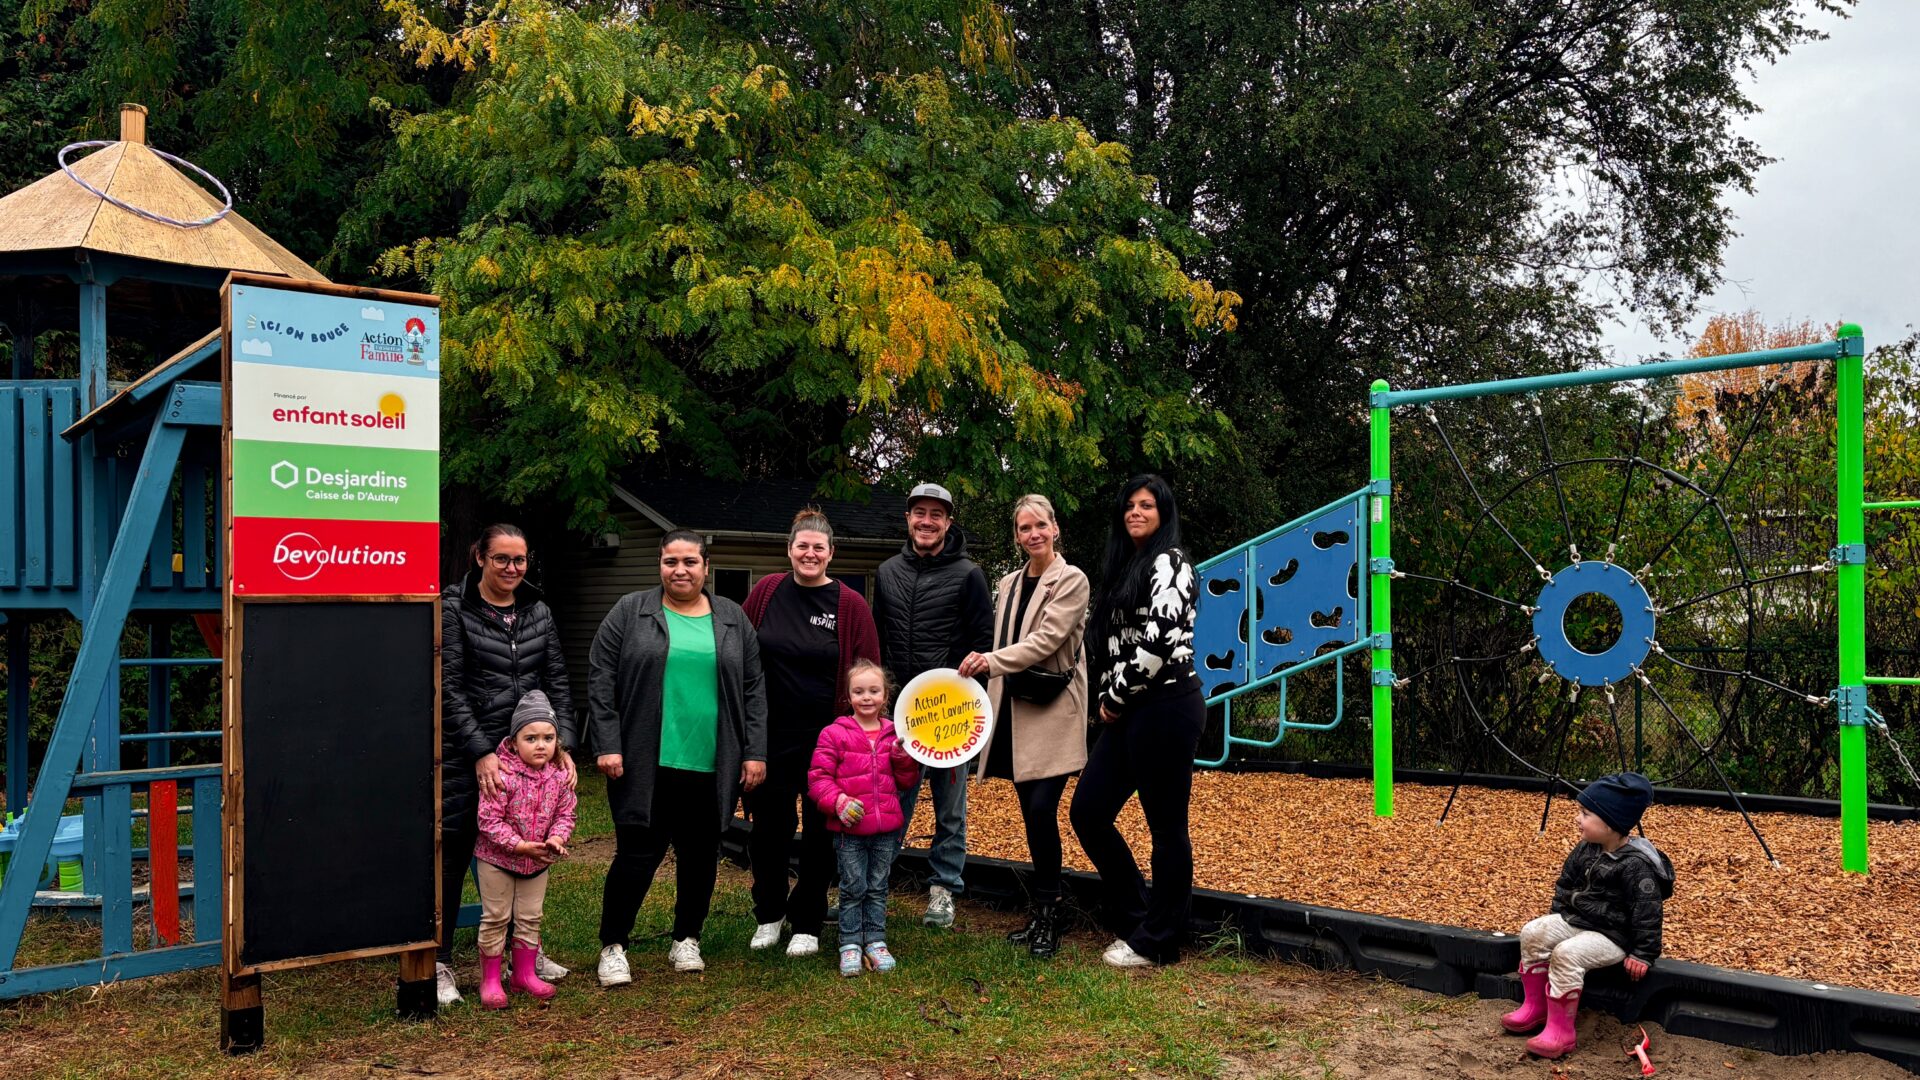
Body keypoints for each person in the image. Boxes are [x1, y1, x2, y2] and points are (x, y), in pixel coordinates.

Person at [588, 529, 769, 985]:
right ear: (660, 565)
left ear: (706, 567)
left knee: (700, 857)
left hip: (712, 762)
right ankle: (614, 945)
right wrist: (607, 743)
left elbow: (753, 689)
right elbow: (600, 678)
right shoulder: (631, 612)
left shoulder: (730, 617)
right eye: (671, 561)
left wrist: (754, 751)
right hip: (644, 761)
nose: (680, 570)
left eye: (690, 561)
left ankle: (687, 938)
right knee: (636, 855)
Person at [1068, 474, 1204, 968]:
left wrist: (1116, 697)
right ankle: (1138, 917)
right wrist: (1111, 697)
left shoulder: (1172, 563)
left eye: (1147, 505)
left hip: (1165, 705)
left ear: (1163, 513)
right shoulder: (1128, 564)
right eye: (1129, 506)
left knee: (1166, 828)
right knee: (1088, 811)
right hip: (1129, 710)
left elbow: (1161, 639)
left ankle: (1159, 940)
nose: (1136, 513)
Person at [439, 523, 577, 1005]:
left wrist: (564, 746)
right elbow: (449, 687)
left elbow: (557, 678)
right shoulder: (454, 609)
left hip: (528, 757)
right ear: (479, 556)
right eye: (501, 559)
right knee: (454, 853)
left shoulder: (537, 611)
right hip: (467, 754)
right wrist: (480, 751)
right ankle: (438, 963)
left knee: (524, 852)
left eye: (519, 560)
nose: (512, 569)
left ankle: (526, 953)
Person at [741, 508, 883, 958]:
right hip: (769, 735)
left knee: (823, 831)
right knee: (769, 827)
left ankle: (807, 920)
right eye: (802, 545)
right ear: (789, 550)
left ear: (831, 554)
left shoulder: (849, 604)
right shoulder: (766, 592)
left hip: (828, 740)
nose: (809, 553)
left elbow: (867, 671)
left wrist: (864, 731)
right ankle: (769, 914)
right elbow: (740, 650)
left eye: (818, 547)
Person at [957, 494, 1089, 958]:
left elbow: (1046, 640)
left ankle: (1050, 914)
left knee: (1040, 810)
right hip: (1013, 708)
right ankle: (1042, 909)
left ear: (1056, 529)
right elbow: (1001, 636)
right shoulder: (1009, 582)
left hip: (1051, 709)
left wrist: (989, 662)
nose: (1032, 534)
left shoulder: (1071, 580)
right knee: (1031, 815)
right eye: (1024, 528)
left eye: (1040, 525)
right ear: (1017, 536)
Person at [871, 482, 993, 928]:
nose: (926, 521)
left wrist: (966, 690)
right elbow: (878, 639)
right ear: (908, 519)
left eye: (936, 515)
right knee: (891, 802)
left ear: (948, 523)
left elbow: (985, 644)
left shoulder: (969, 574)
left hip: (950, 716)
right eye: (919, 513)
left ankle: (944, 890)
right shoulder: (887, 573)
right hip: (902, 717)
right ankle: (874, 888)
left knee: (950, 807)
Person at [1501, 772, 1673, 1060]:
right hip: (1579, 921)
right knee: (1533, 932)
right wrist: (1556, 917)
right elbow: (1565, 883)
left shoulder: (1635, 866)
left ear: (1611, 823)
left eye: (1585, 813)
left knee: (1567, 954)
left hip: (1613, 936)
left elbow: (1648, 912)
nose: (1577, 819)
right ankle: (1536, 1008)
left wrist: (1643, 953)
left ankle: (1561, 1031)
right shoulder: (1586, 848)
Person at [808, 659, 920, 976]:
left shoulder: (895, 735)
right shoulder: (834, 734)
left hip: (886, 830)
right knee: (853, 886)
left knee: (877, 886)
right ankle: (849, 945)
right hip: (850, 832)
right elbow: (818, 779)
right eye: (859, 691)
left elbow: (907, 782)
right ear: (848, 696)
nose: (866, 697)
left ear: (886, 696)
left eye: (874, 690)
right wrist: (838, 802)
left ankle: (875, 941)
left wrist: (902, 758)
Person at [472, 691, 578, 1009]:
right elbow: (488, 820)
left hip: (537, 863)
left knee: (530, 918)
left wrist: (557, 839)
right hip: (497, 860)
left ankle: (524, 974)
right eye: (530, 738)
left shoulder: (560, 777)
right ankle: (490, 980)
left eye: (548, 737)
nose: (540, 745)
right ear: (515, 741)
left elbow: (566, 814)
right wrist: (517, 845)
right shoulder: (501, 774)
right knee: (496, 918)